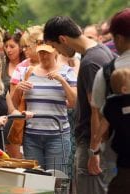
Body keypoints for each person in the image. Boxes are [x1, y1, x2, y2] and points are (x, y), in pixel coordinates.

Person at [43, 16, 116, 193]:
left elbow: (97, 111)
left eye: (55, 47)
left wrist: (93, 151)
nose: (58, 52)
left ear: (62, 39)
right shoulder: (99, 52)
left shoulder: (90, 62)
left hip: (93, 143)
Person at [12, 43, 77, 172]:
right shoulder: (26, 72)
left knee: (56, 179)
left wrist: (62, 81)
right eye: (41, 52)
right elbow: (13, 105)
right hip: (31, 136)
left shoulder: (67, 71)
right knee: (34, 179)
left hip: (58, 136)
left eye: (46, 52)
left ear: (56, 52)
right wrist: (18, 89)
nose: (43, 56)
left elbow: (74, 102)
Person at [90, 68, 130, 194]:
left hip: (120, 155)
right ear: (124, 89)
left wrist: (95, 147)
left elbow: (102, 128)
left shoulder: (110, 105)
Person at [2, 30, 25, 158]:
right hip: (5, 114)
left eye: (12, 46)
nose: (8, 50)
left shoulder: (27, 65)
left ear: (21, 47)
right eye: (6, 47)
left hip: (23, 113)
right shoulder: (1, 65)